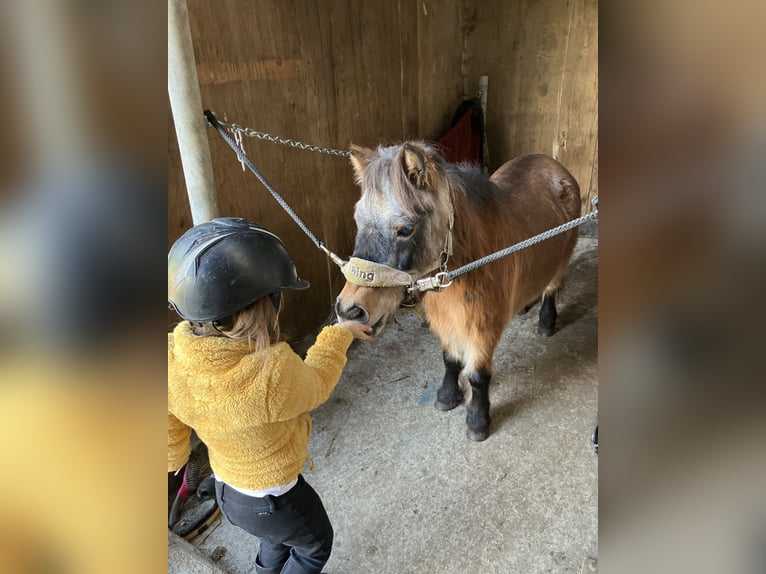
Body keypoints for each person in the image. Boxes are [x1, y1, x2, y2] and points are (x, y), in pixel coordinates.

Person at [168, 217, 371, 574]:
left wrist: (174, 455)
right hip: (276, 497)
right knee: (314, 545)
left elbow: (167, 421)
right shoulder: (270, 373)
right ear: (263, 307)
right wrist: (340, 334)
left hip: (228, 492)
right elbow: (318, 383)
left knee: (277, 537)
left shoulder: (169, 359)